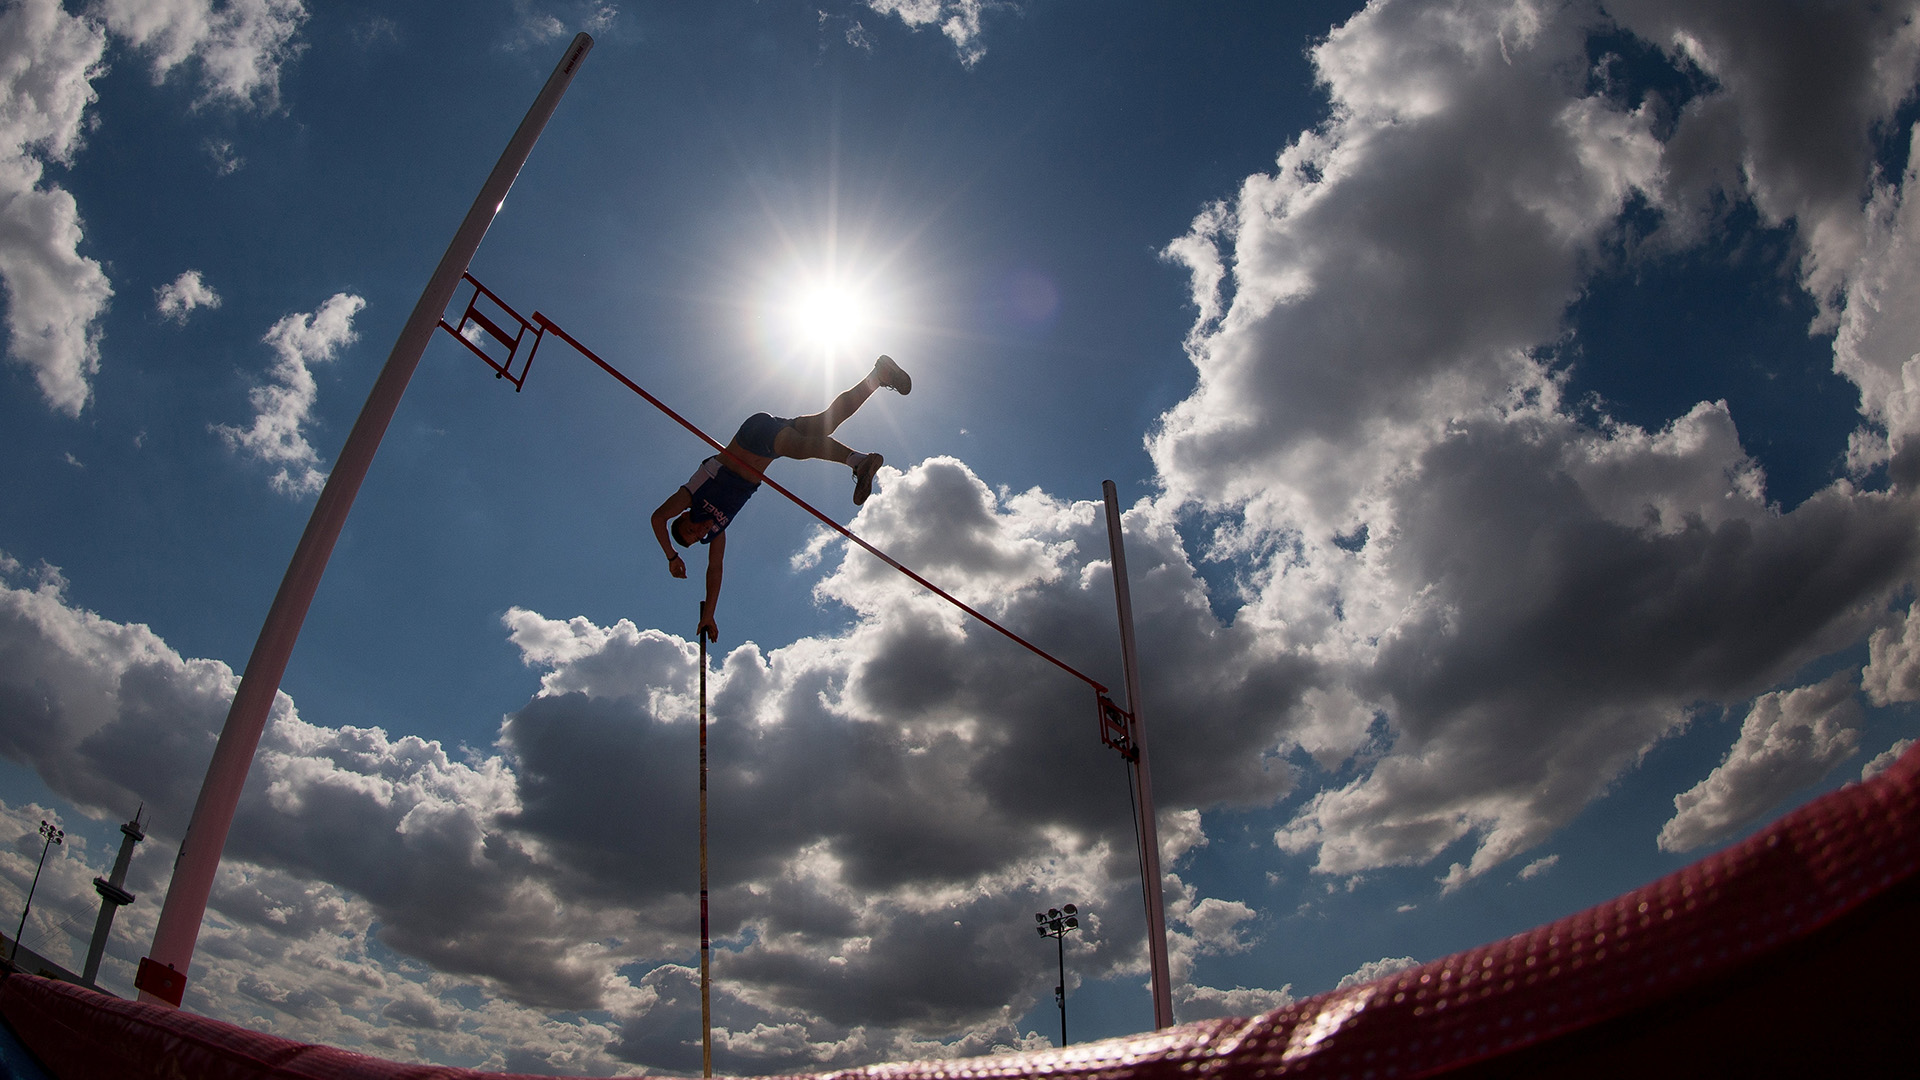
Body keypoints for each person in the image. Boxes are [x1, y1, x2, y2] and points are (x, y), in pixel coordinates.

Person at [652, 354, 912, 641]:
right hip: (769, 443)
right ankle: (879, 377)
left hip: (754, 435)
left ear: (685, 516)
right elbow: (715, 570)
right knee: (825, 424)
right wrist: (709, 614)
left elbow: (658, 518)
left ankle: (858, 461)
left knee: (797, 447)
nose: (699, 530)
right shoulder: (717, 530)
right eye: (696, 536)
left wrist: (672, 557)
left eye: (690, 528)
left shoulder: (691, 496)